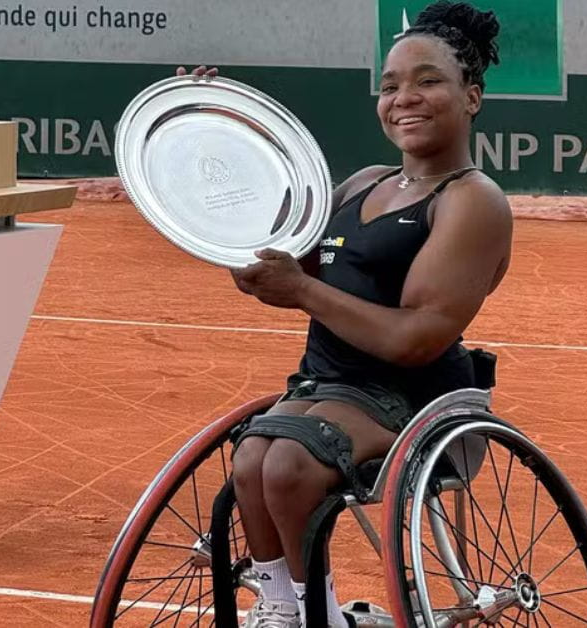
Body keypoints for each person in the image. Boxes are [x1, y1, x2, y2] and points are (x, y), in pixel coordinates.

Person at [178, 2, 511, 625]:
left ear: (471, 96)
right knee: (250, 459)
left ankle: (314, 615)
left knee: (286, 464)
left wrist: (301, 292)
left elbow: (417, 337)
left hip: (411, 395)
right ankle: (282, 606)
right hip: (323, 384)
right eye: (390, 87)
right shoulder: (360, 184)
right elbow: (274, 262)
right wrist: (208, 134)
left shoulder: (473, 201)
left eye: (428, 81)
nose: (404, 98)